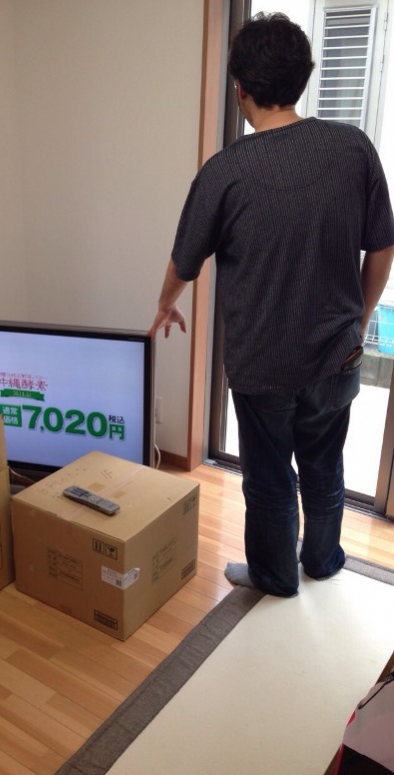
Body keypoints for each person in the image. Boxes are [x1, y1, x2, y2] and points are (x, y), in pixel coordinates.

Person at [149, 12, 394, 597]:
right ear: (303, 78)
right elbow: (383, 246)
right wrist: (359, 320)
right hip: (336, 355)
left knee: (268, 480)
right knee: (324, 467)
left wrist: (165, 304)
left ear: (240, 89)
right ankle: (323, 561)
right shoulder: (353, 148)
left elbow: (184, 262)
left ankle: (275, 576)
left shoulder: (225, 171)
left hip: (261, 365)